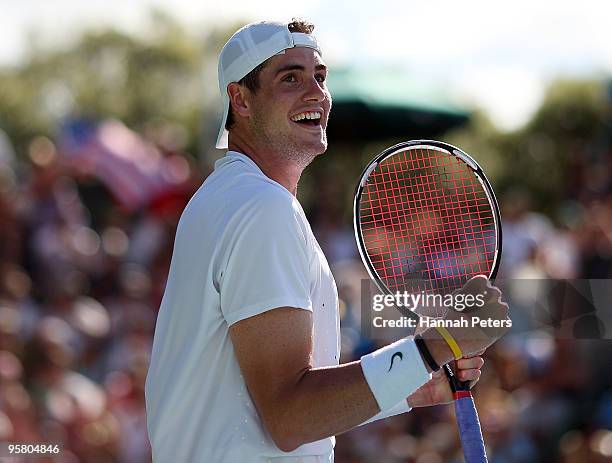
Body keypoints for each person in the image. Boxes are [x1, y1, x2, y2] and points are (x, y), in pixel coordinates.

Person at [144, 19, 511, 463]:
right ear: (239, 100)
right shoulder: (262, 207)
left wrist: (412, 379)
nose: (315, 93)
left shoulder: (226, 199)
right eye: (290, 78)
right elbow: (289, 418)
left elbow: (281, 411)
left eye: (319, 77)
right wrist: (438, 345)